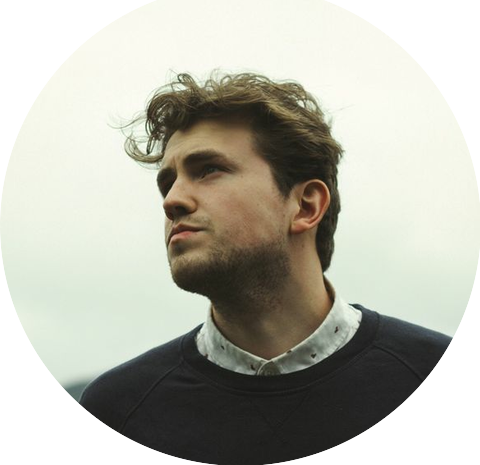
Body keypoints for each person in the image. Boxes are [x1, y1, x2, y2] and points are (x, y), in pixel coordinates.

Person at [64, 72, 480, 465]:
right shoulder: (112, 412)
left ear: (306, 206)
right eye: (167, 182)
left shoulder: (456, 387)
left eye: (208, 170)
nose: (172, 200)